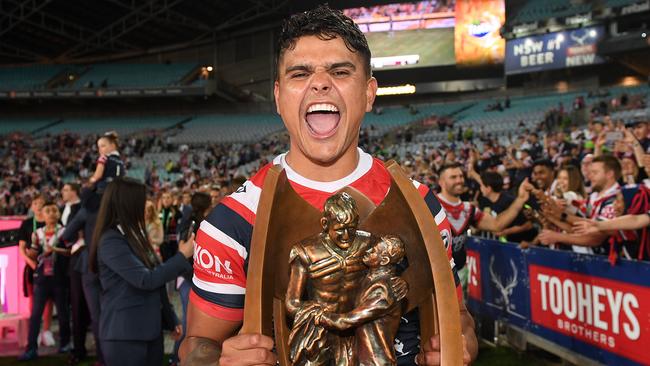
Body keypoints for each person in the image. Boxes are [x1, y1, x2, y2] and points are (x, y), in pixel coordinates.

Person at [180, 6, 477, 366]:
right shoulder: (232, 222)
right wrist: (218, 361)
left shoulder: (421, 205)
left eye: (339, 71)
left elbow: (458, 317)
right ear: (278, 96)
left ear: (369, 93)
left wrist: (462, 343)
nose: (320, 83)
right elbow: (196, 345)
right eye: (300, 73)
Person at [89, 178, 194, 366]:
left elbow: (156, 280)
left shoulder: (134, 233)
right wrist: (181, 256)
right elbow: (145, 280)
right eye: (141, 199)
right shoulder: (111, 240)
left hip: (148, 331)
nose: (147, 203)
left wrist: (170, 318)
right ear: (127, 203)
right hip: (125, 334)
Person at [316, 234, 408, 366]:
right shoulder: (369, 276)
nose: (368, 251)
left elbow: (348, 321)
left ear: (384, 260)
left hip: (375, 361)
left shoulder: (383, 290)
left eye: (374, 251)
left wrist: (320, 316)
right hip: (359, 356)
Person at [437, 163, 530, 284]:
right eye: (453, 177)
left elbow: (496, 224)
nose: (459, 180)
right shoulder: (430, 206)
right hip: (436, 276)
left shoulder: (468, 209)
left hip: (459, 274)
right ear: (441, 182)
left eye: (461, 176)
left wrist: (520, 199)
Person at [538, 155, 622, 259]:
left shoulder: (616, 200)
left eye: (595, 173)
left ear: (609, 174)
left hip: (610, 264)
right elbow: (578, 229)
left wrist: (558, 236)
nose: (589, 176)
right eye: (590, 172)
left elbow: (596, 238)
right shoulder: (594, 197)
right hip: (593, 260)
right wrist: (555, 218)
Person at [18, 202, 71, 361]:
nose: (52, 214)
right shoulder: (38, 233)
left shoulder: (64, 232)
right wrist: (32, 251)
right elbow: (34, 253)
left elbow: (71, 251)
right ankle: (31, 348)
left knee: (63, 313)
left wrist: (55, 250)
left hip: (59, 278)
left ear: (58, 214)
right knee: (35, 315)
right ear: (43, 214)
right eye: (48, 211)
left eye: (55, 210)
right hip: (41, 279)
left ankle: (65, 344)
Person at [170, 191, 212, 366]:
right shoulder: (199, 224)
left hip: (186, 277)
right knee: (189, 324)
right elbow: (187, 252)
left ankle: (181, 357)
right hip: (190, 278)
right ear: (208, 207)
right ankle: (177, 357)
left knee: (192, 323)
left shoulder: (188, 221)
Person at [17, 194, 55, 348]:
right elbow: (21, 249)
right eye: (35, 203)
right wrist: (32, 264)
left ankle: (47, 331)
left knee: (49, 300)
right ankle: (36, 331)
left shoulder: (53, 223)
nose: (38, 206)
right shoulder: (26, 224)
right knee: (34, 300)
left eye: (41, 203)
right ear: (31, 206)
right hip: (32, 267)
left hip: (51, 266)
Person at [60, 183, 89, 364]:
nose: (62, 192)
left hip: (80, 260)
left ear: (75, 192)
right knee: (74, 304)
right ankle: (77, 346)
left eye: (66, 189)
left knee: (80, 306)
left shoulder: (82, 209)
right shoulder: (64, 208)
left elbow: (70, 235)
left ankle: (80, 348)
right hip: (67, 261)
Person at [477, 172, 536, 243]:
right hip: (510, 243)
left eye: (481, 186)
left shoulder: (509, 202)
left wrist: (504, 232)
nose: (480, 188)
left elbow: (528, 225)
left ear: (488, 188)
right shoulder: (489, 202)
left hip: (524, 244)